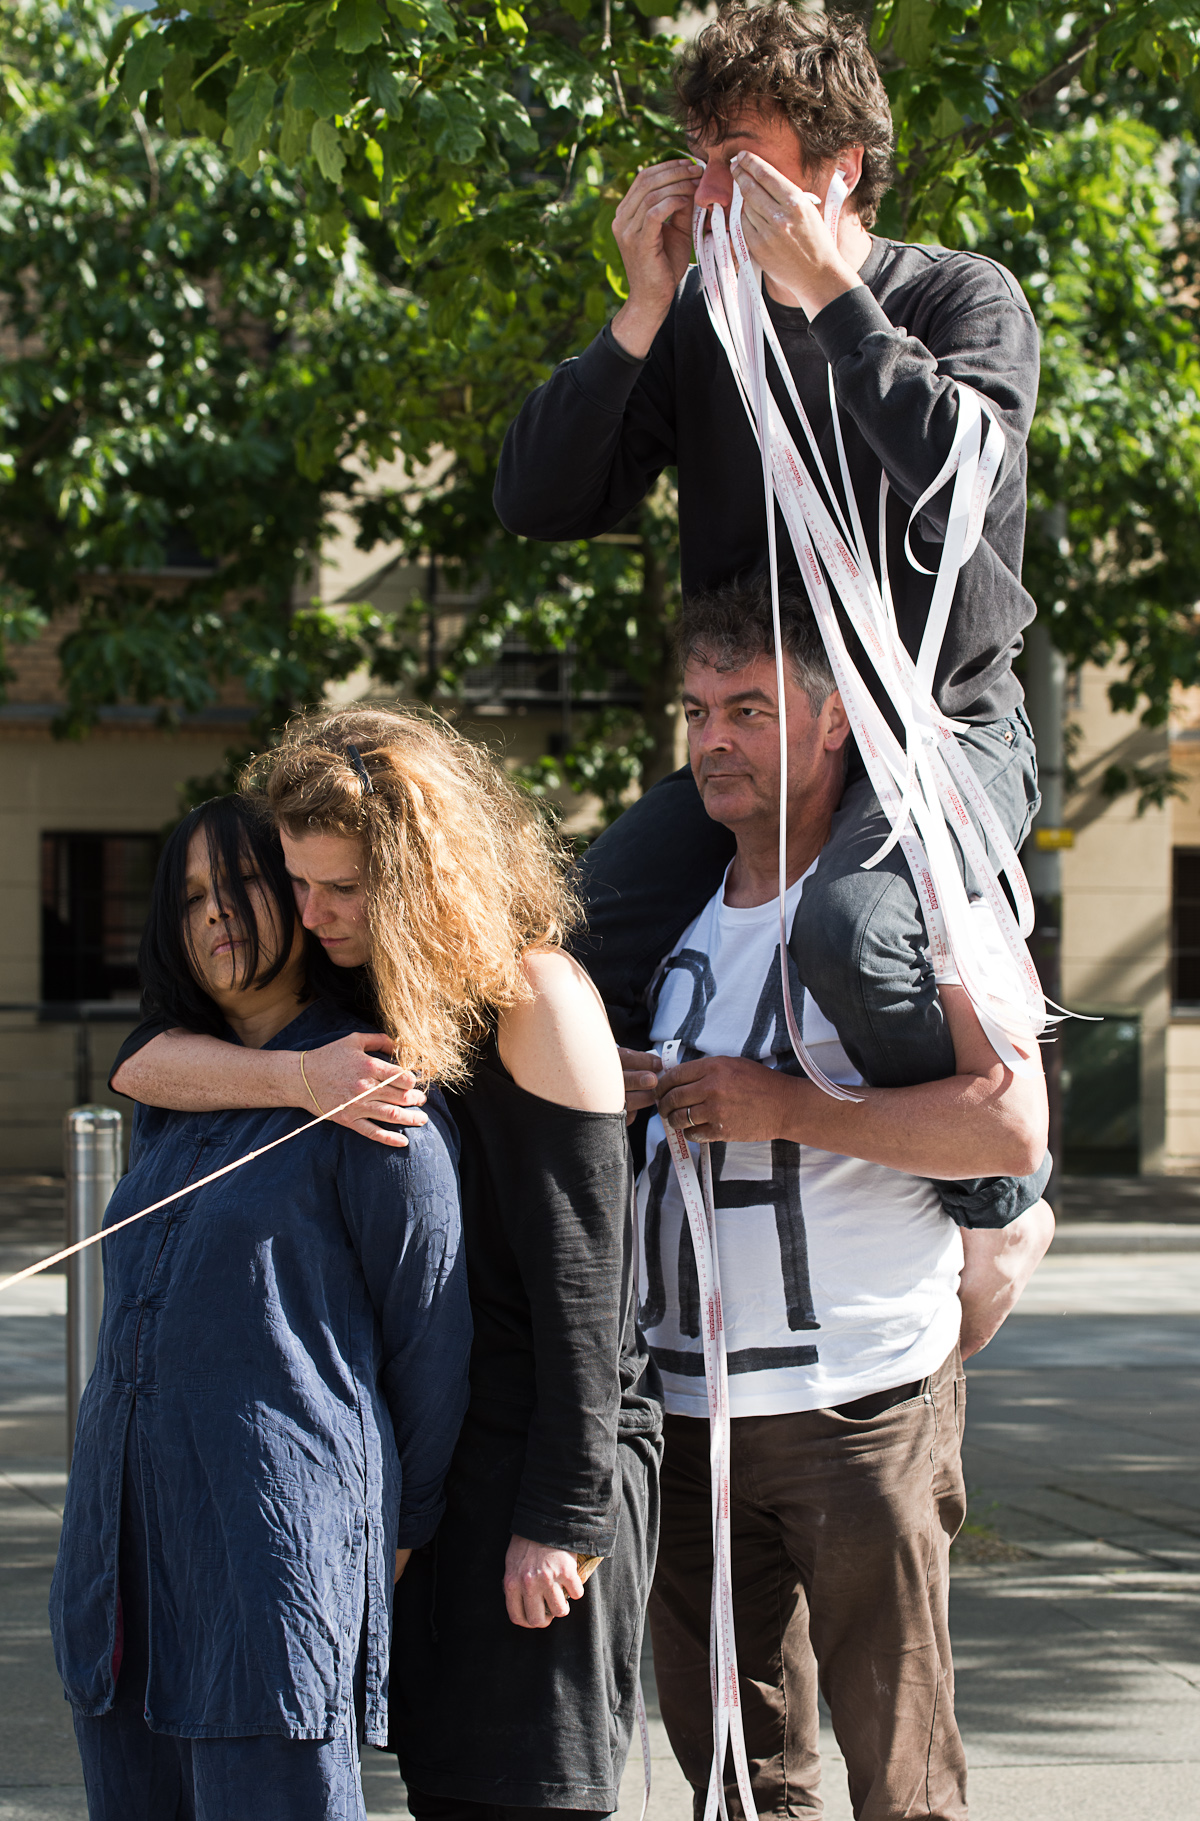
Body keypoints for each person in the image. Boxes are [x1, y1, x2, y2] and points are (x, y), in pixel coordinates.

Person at [495, 3, 1048, 1232]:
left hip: (937, 742)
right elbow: (537, 501)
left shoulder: (960, 296)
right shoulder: (702, 324)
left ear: (838, 167)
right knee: (561, 956)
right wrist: (641, 310)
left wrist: (832, 296)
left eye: (738, 155)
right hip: (763, 746)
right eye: (696, 152)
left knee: (853, 934)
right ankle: (609, 1264)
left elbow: (961, 484)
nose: (707, 186)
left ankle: (995, 1198)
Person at [109, 708, 662, 1821]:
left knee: (530, 1794)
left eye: (342, 889)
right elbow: (141, 1061)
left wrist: (563, 1520)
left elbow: (589, 1302)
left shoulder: (535, 995)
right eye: (299, 884)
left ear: (424, 876)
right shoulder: (371, 988)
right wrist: (296, 1079)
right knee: (445, 1788)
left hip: (546, 1465)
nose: (311, 914)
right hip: (439, 1469)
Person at [621, 582, 1052, 1821]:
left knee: (902, 1787)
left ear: (832, 723)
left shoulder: (921, 901)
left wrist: (787, 1106)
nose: (714, 740)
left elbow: (1012, 1124)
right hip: (686, 1414)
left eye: (749, 710)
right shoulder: (674, 924)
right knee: (735, 1787)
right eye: (697, 711)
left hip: (860, 1404)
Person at [52, 794, 471, 1821]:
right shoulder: (171, 1088)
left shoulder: (375, 1090)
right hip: (122, 1558)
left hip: (268, 1552)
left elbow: (432, 1333)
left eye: (243, 881)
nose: (216, 911)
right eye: (191, 894)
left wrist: (392, 1531)